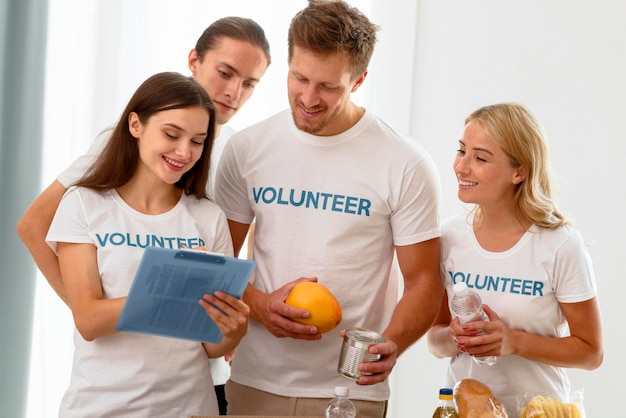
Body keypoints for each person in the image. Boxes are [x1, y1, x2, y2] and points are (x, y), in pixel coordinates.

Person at [16, 16, 270, 415]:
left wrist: (231, 328)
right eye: (225, 72)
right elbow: (34, 227)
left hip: (196, 388)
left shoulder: (228, 170)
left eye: (250, 83)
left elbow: (219, 299)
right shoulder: (91, 196)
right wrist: (96, 312)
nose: (234, 91)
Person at [213, 1, 443, 417]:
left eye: (329, 86)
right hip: (254, 381)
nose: (309, 97)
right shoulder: (246, 148)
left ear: (359, 80)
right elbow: (218, 262)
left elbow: (424, 281)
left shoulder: (405, 163)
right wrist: (261, 306)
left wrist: (392, 342)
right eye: (299, 77)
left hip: (352, 392)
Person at [44, 71, 250, 416]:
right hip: (101, 407)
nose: (184, 152)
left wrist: (235, 332)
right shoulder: (84, 204)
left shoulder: (208, 216)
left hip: (190, 407)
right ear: (135, 125)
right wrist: (174, 282)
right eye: (172, 134)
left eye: (198, 141)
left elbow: (209, 345)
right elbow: (89, 320)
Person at [426, 103, 604, 416]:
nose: (461, 166)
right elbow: (435, 341)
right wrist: (455, 336)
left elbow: (591, 353)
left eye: (480, 158)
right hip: (463, 411)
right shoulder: (449, 237)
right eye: (461, 150)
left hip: (538, 412)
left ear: (519, 171)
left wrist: (514, 342)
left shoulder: (560, 244)